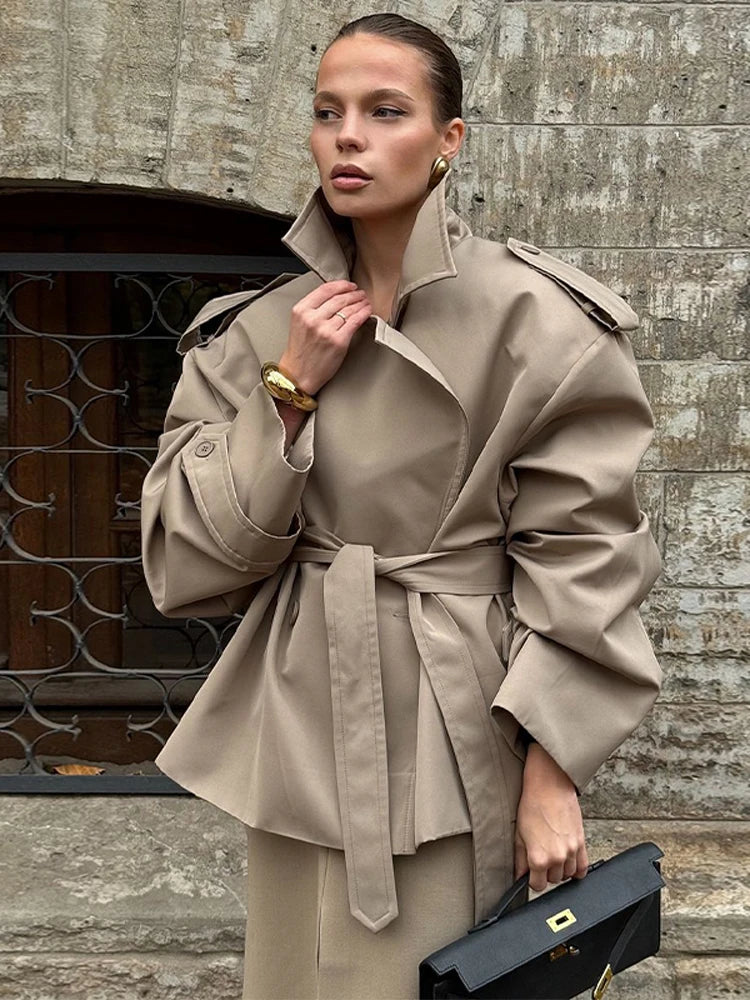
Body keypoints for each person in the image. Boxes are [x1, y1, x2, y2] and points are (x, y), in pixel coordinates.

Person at [140, 12, 663, 1000]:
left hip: (458, 716)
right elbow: (190, 562)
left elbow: (589, 558)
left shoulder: (540, 321)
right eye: (329, 112)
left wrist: (554, 776)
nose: (350, 135)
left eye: (386, 111)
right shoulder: (252, 333)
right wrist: (288, 391)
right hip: (301, 716)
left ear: (447, 138)